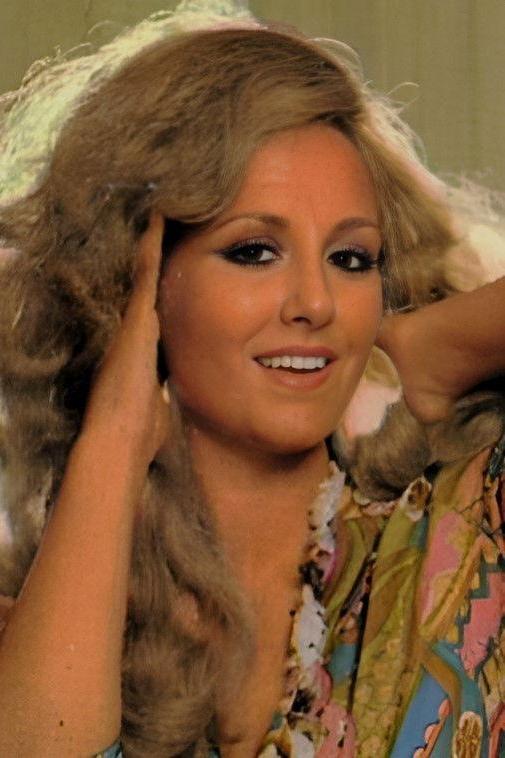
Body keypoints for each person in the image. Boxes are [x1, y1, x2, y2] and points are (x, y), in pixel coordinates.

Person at [0, 1, 503, 755]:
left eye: (351, 258)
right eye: (253, 252)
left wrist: (435, 344)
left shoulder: (468, 528)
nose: (315, 303)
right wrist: (115, 437)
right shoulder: (42, 623)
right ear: (130, 287)